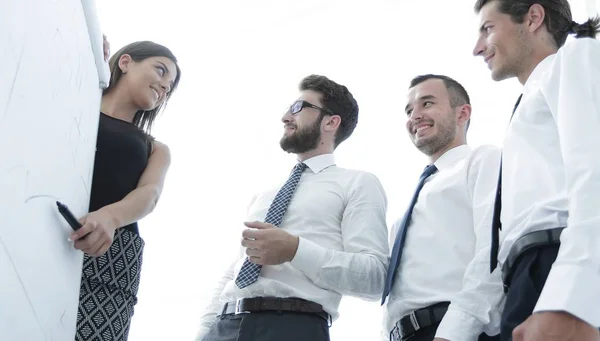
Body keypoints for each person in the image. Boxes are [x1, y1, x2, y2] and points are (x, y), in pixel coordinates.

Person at [195, 74, 389, 341]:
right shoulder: (265, 194)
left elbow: (375, 278)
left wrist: (295, 250)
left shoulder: (358, 183)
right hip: (224, 327)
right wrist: (205, 331)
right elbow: (236, 267)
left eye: (299, 107)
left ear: (331, 122)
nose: (286, 116)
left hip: (295, 329)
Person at [472, 1, 600, 340]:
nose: (477, 48)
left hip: (557, 266)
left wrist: (570, 302)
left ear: (533, 18)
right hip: (524, 281)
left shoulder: (575, 61)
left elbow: (594, 174)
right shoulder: (523, 111)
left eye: (487, 28)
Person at [69, 40, 181, 341]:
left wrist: (110, 217)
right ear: (126, 62)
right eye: (160, 70)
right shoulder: (72, 106)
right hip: (44, 232)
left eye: (169, 86)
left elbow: (149, 195)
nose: (164, 86)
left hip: (113, 257)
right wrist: (82, 45)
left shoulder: (156, 148)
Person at [381, 74, 503, 341]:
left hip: (454, 330)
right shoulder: (404, 214)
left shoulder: (483, 161)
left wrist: (454, 332)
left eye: (427, 103)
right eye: (409, 110)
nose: (415, 116)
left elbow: (492, 253)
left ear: (462, 114)